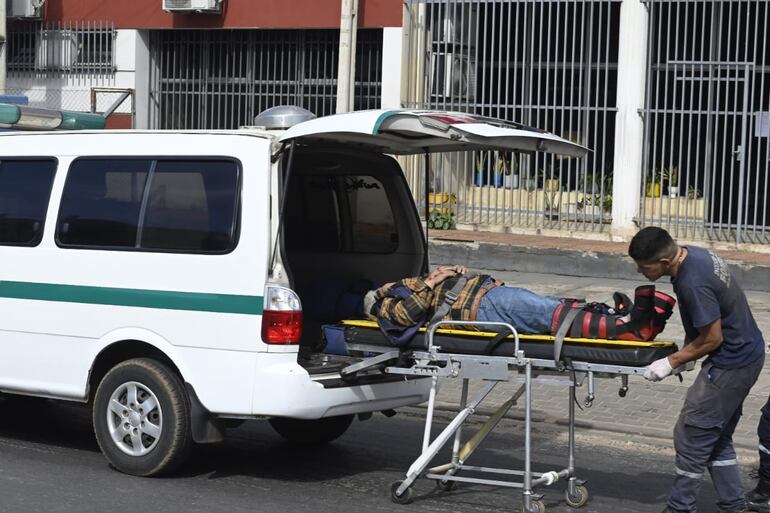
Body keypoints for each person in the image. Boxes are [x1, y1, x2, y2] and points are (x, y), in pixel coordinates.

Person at [629, 226, 765, 513]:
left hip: (731, 363)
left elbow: (713, 338)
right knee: (715, 435)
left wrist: (672, 362)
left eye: (644, 267)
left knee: (692, 435)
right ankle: (734, 505)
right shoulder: (695, 256)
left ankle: (680, 508)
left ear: (664, 262)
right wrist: (688, 349)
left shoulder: (693, 281)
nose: (639, 271)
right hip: (746, 354)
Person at [362, 264, 676, 343]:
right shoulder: (382, 307)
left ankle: (626, 318)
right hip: (482, 308)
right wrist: (432, 281)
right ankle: (627, 328)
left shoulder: (402, 288)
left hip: (486, 296)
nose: (388, 283)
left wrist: (452, 273)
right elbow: (410, 314)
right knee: (547, 312)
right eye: (383, 287)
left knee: (552, 306)